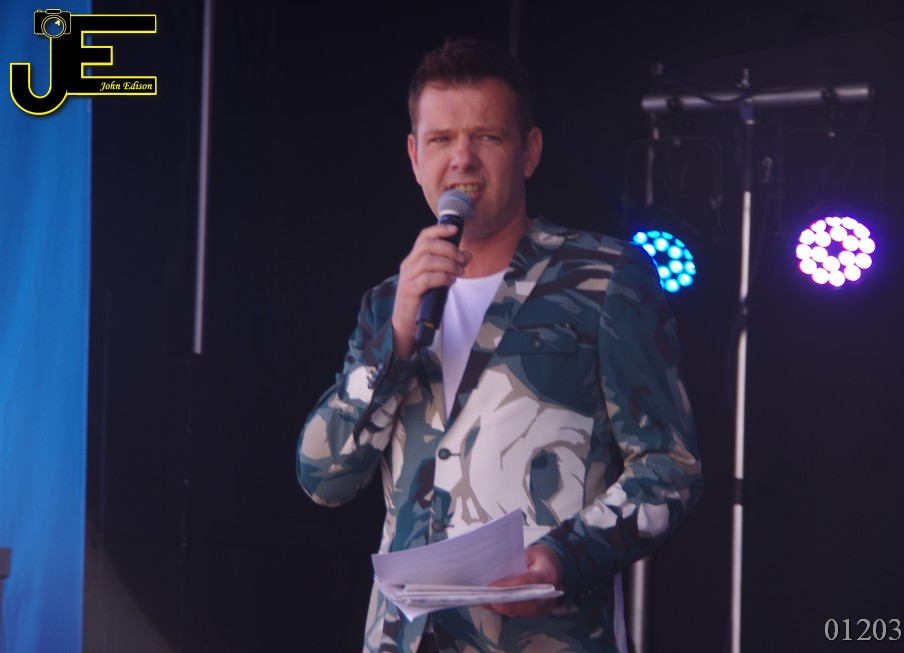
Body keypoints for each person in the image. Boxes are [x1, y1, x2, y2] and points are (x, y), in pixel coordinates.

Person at [297, 38, 702, 653]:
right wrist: (395, 343)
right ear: (414, 156)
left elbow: (671, 467)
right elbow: (321, 478)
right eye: (440, 139)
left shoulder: (605, 277)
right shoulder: (389, 302)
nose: (462, 158)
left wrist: (566, 557)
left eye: (486, 136)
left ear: (529, 151)